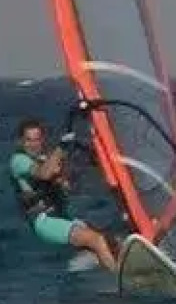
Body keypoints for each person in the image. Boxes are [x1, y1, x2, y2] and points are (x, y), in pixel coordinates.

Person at [8, 116, 119, 272]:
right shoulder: (18, 161)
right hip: (44, 221)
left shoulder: (45, 158)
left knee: (112, 240)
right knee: (96, 240)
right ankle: (119, 280)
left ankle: (108, 264)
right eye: (28, 140)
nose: (33, 144)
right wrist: (61, 147)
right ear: (21, 141)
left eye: (37, 139)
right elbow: (44, 174)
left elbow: (63, 181)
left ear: (42, 140)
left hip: (60, 217)